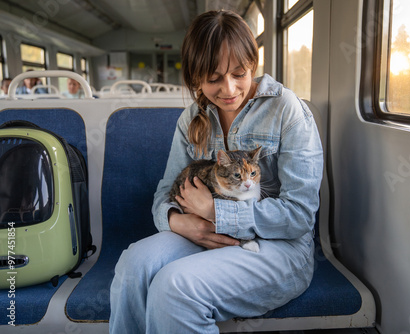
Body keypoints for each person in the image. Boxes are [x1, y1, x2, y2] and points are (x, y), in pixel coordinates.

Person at [109, 10, 323, 333]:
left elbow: (300, 215)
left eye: (239, 73)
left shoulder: (286, 110)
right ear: (196, 78)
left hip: (278, 246)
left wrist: (215, 211)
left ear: (253, 61)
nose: (229, 89)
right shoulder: (190, 120)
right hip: (203, 235)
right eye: (213, 79)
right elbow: (162, 195)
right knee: (131, 266)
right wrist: (180, 222)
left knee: (174, 289)